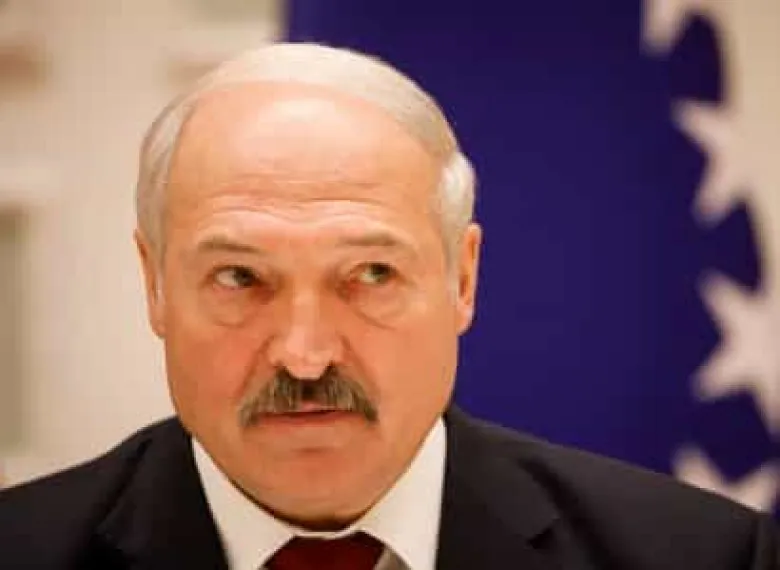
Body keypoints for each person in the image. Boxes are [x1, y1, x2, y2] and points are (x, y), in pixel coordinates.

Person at [0, 42, 777, 570]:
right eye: (239, 278)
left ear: (462, 280)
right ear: (156, 287)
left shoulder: (703, 556)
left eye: (371, 274)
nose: (305, 355)